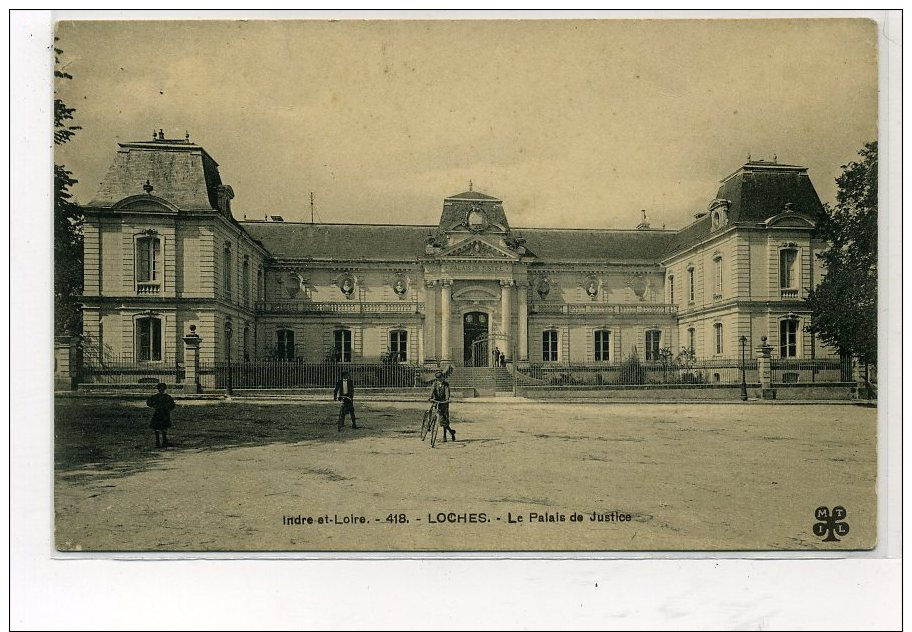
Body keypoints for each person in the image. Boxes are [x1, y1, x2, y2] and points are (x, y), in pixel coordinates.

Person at [146, 382, 176, 448]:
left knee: (157, 428)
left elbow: (148, 403)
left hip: (158, 413)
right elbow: (172, 405)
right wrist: (168, 409)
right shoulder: (167, 397)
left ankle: (158, 442)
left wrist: (155, 406)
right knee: (164, 428)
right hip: (164, 414)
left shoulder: (155, 397)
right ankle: (163, 442)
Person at [429, 371, 455, 442]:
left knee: (444, 419)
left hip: (444, 403)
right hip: (437, 402)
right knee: (441, 420)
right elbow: (432, 391)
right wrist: (431, 397)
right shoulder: (435, 384)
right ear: (437, 379)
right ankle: (451, 431)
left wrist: (447, 399)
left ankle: (445, 436)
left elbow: (447, 392)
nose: (440, 379)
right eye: (439, 378)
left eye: (441, 377)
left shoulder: (446, 384)